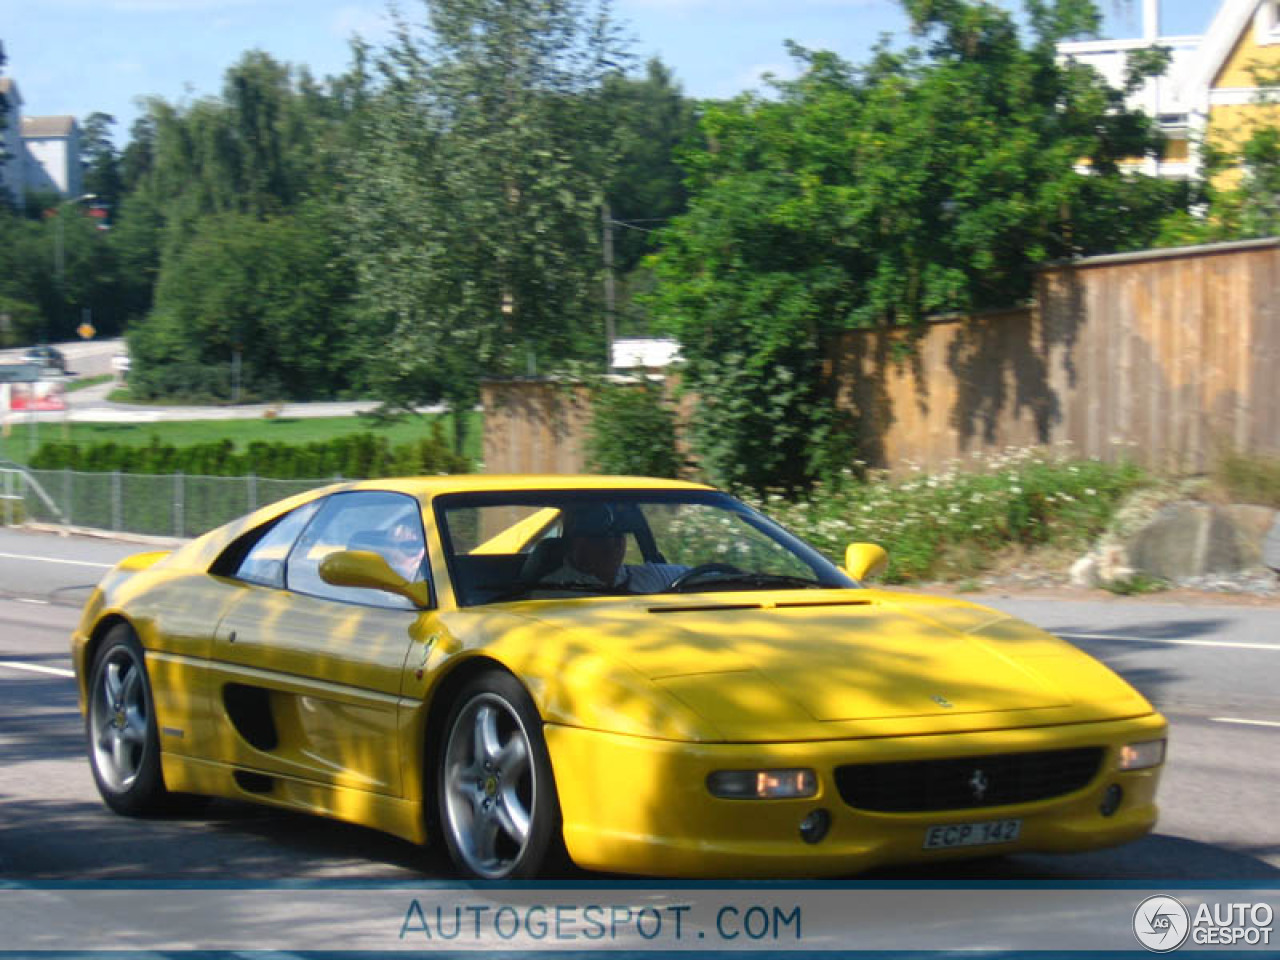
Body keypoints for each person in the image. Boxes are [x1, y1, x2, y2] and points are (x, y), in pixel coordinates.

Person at [539, 504, 686, 593]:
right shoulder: (551, 590)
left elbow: (703, 576)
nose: (614, 542)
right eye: (600, 534)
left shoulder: (654, 575)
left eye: (619, 533)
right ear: (577, 540)